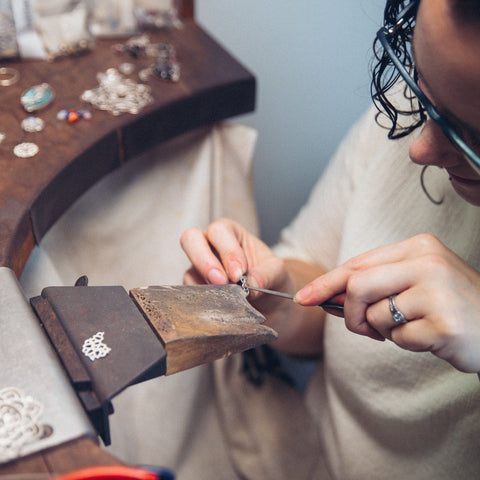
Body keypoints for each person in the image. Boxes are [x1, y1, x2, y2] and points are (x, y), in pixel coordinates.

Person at [180, 0, 480, 478]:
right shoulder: (412, 115)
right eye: (422, 95)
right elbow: (316, 277)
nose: (420, 150)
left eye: (472, 139)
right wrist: (273, 301)